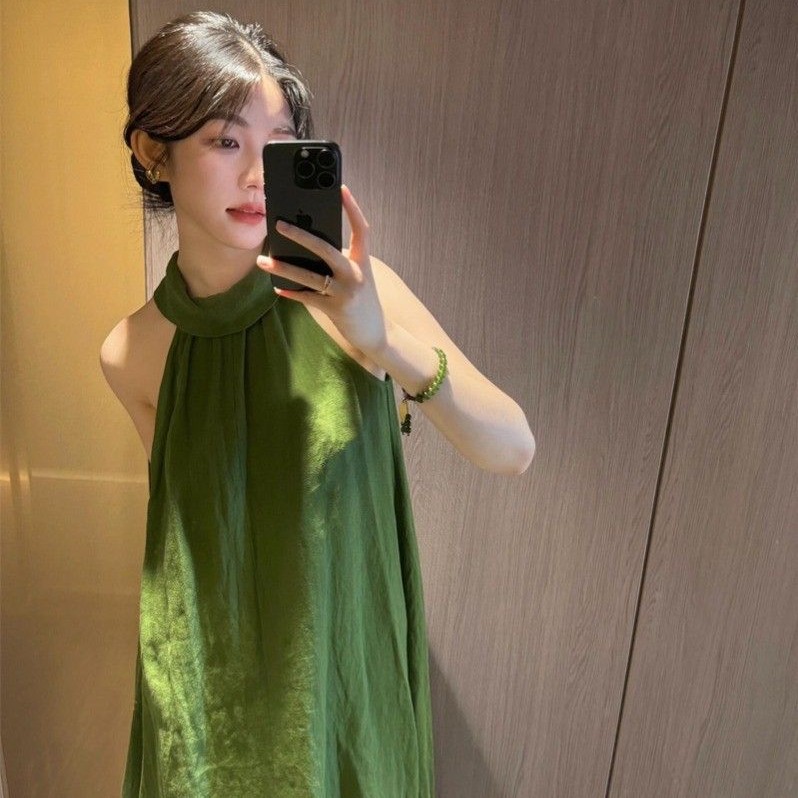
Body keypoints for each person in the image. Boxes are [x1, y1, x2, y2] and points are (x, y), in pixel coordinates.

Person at [100, 10, 535, 797]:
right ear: (153, 152)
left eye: (278, 145)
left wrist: (382, 341)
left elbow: (512, 448)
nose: (257, 176)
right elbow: (202, 553)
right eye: (225, 141)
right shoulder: (132, 355)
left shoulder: (357, 300)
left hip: (342, 710)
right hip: (206, 725)